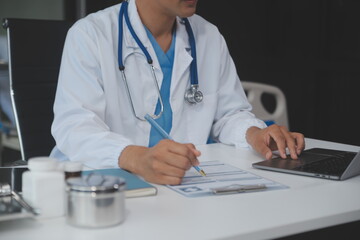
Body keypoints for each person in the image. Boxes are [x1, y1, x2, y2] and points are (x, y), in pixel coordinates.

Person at [50, 0, 305, 185]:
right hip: (100, 185)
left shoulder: (208, 36)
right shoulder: (91, 35)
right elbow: (74, 127)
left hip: (179, 185)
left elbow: (228, 113)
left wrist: (254, 133)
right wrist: (136, 157)